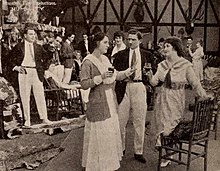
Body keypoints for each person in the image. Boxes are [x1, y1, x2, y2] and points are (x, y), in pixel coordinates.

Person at [148, 36, 209, 167]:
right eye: (164, 47)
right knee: (160, 126)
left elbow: (195, 83)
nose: (164, 49)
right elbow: (154, 82)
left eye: (167, 46)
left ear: (175, 48)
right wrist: (149, 76)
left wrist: (204, 97)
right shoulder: (162, 65)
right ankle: (168, 154)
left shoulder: (185, 65)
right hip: (162, 99)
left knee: (168, 129)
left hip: (176, 99)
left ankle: (169, 152)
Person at [80, 32, 135, 171]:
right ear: (97, 43)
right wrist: (100, 77)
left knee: (109, 133)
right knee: (100, 133)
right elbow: (84, 84)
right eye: (105, 42)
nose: (108, 45)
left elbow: (115, 75)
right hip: (98, 101)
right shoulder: (88, 61)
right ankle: (97, 165)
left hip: (110, 99)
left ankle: (108, 164)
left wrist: (128, 72)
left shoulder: (105, 59)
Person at [113, 29, 154, 163]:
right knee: (120, 121)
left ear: (140, 41)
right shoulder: (120, 55)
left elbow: (153, 73)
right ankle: (120, 149)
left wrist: (148, 79)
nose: (130, 42)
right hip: (124, 87)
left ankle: (138, 151)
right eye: (128, 39)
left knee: (139, 121)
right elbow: (114, 73)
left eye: (133, 39)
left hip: (139, 86)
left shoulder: (148, 55)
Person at [10, 26, 52, 127]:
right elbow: (8, 59)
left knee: (40, 95)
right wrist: (16, 67)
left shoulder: (38, 47)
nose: (33, 36)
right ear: (25, 35)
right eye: (30, 34)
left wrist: (44, 68)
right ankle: (27, 120)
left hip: (36, 72)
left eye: (34, 34)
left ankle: (44, 118)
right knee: (25, 96)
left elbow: (47, 58)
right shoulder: (19, 47)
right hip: (24, 71)